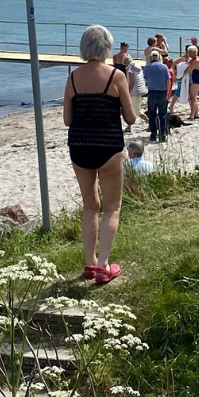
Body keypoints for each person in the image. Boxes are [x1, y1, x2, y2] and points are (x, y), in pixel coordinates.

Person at [64, 25, 136, 285]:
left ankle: (89, 263)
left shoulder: (73, 77)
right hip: (108, 145)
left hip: (80, 146)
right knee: (112, 207)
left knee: (90, 206)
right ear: (107, 47)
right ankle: (104, 265)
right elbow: (130, 117)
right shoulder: (115, 76)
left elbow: (67, 119)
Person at [143, 50, 172, 143]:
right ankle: (163, 135)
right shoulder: (164, 67)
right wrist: (168, 93)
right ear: (159, 57)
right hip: (162, 93)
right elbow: (168, 81)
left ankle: (153, 135)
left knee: (152, 114)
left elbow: (145, 80)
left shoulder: (147, 67)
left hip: (152, 92)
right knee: (163, 114)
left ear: (151, 58)